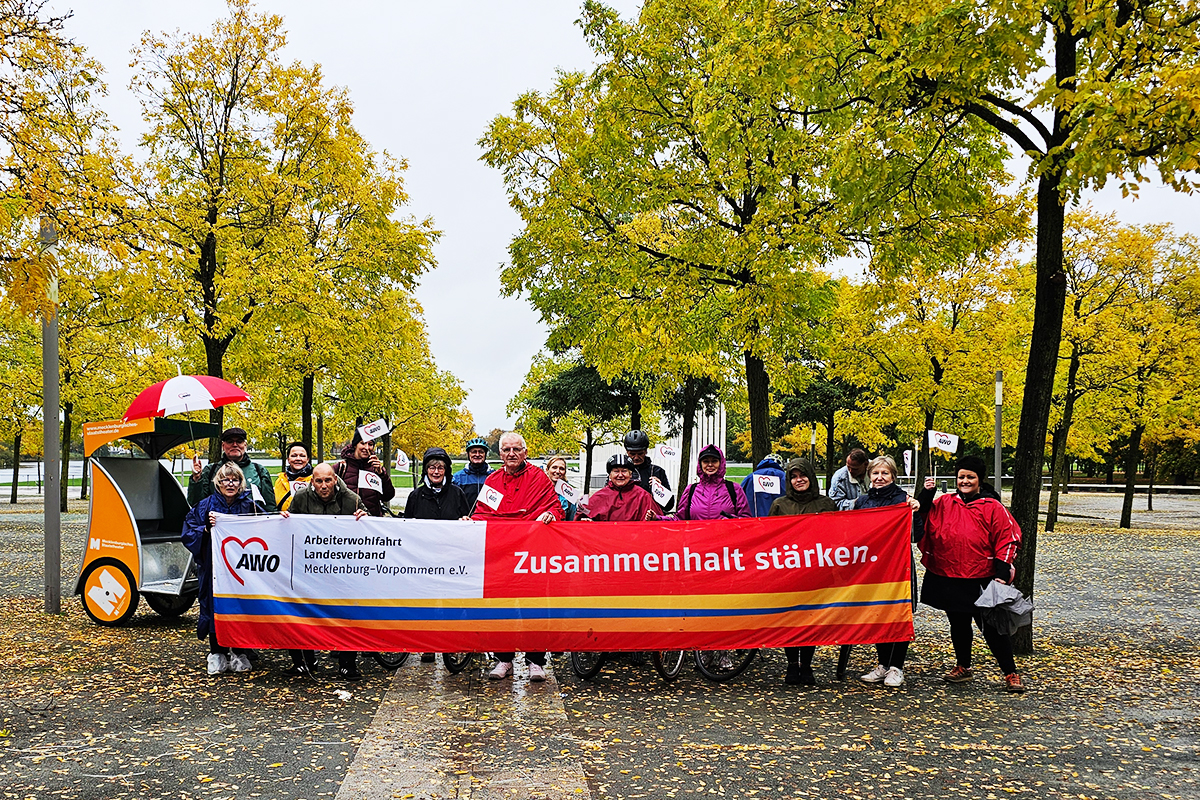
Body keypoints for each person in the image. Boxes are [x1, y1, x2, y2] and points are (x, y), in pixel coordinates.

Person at [916, 454, 1026, 693]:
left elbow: (1008, 538)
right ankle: (963, 666)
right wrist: (925, 495)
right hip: (950, 575)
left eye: (970, 477)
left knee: (992, 629)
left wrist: (1002, 570)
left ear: (979, 479)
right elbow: (921, 518)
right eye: (961, 477)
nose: (965, 481)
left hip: (981, 577)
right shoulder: (945, 502)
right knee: (958, 624)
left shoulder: (993, 507)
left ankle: (1010, 672)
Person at [472, 431, 563, 682]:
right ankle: (504, 659)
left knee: (533, 606)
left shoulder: (539, 478)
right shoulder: (492, 480)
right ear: (500, 454)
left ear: (525, 452)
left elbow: (555, 507)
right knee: (502, 607)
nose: (511, 454)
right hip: (502, 555)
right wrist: (469, 523)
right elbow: (483, 513)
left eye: (516, 449)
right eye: (506, 450)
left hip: (532, 554)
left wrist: (550, 516)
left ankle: (536, 661)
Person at [282, 463, 368, 678]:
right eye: (318, 481)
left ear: (335, 480)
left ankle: (348, 663)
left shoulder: (351, 499)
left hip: (343, 567)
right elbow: (289, 527)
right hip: (309, 566)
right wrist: (284, 520)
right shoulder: (301, 498)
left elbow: (371, 527)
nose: (323, 486)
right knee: (300, 611)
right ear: (312, 482)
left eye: (328, 480)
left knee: (347, 614)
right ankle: (304, 662)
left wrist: (364, 518)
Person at [181, 462, 267, 675]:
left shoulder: (249, 505)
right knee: (213, 606)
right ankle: (217, 651)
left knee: (241, 607)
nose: (230, 484)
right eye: (225, 480)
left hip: (243, 571)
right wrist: (206, 529)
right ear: (217, 482)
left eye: (235, 479)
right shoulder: (205, 505)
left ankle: (239, 651)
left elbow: (268, 526)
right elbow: (188, 532)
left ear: (241, 483)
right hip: (213, 570)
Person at [852, 456, 921, 688]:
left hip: (899, 565)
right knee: (879, 613)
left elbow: (918, 535)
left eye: (885, 473)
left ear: (893, 476)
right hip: (873, 567)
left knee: (900, 613)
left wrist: (916, 512)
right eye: (875, 473)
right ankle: (883, 664)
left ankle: (897, 667)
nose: (879, 478)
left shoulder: (904, 500)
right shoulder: (862, 502)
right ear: (869, 476)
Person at [768, 458, 839, 686]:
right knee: (791, 619)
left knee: (811, 619)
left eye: (803, 475)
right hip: (788, 572)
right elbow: (769, 538)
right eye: (794, 477)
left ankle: (807, 664)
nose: (799, 480)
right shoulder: (780, 504)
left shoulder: (826, 504)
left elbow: (837, 537)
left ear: (810, 476)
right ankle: (791, 664)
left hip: (816, 572)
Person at [188, 427, 276, 511]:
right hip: (217, 523)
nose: (235, 445)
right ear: (223, 446)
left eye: (239, 441)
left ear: (245, 445)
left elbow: (269, 506)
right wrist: (196, 479)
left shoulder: (259, 470)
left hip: (252, 524)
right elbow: (196, 504)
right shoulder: (210, 470)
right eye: (230, 442)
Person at [667, 444, 750, 521]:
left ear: (721, 463)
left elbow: (746, 520)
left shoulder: (734, 489)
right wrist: (656, 518)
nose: (710, 464)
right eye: (706, 461)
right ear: (700, 464)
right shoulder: (691, 490)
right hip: (698, 537)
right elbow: (679, 520)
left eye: (714, 461)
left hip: (726, 536)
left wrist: (731, 520)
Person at [580, 454, 662, 521]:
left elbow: (658, 521)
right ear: (610, 475)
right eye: (616, 471)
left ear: (630, 475)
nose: (620, 475)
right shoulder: (600, 496)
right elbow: (580, 518)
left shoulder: (643, 496)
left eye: (624, 471)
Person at [335, 431, 395, 517]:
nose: (366, 447)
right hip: (347, 522)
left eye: (370, 444)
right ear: (355, 445)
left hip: (371, 522)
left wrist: (382, 474)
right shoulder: (341, 467)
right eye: (362, 443)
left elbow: (387, 496)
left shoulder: (377, 468)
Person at [405, 447, 471, 521]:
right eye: (432, 468)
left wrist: (465, 519)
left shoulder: (457, 493)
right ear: (426, 470)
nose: (436, 472)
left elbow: (467, 520)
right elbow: (407, 526)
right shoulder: (415, 496)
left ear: (446, 471)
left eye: (440, 468)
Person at [623, 429, 674, 512]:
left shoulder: (657, 471)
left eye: (640, 454)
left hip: (651, 520)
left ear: (646, 451)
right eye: (632, 454)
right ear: (627, 452)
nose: (636, 458)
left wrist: (660, 489)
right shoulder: (618, 473)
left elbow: (669, 505)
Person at [453, 437, 494, 511]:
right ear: (468, 454)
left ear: (485, 454)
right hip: (465, 520)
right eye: (474, 452)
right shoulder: (457, 478)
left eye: (481, 452)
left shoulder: (494, 476)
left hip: (487, 519)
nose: (477, 455)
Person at [273, 441, 313, 513]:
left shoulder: (315, 481)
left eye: (302, 456)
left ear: (308, 459)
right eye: (294, 456)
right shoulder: (280, 481)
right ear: (288, 459)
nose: (298, 458)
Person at [544, 456, 578, 521]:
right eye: (554, 467)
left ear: (565, 472)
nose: (557, 471)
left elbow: (572, 520)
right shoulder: (538, 489)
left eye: (561, 469)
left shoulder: (570, 494)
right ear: (547, 470)